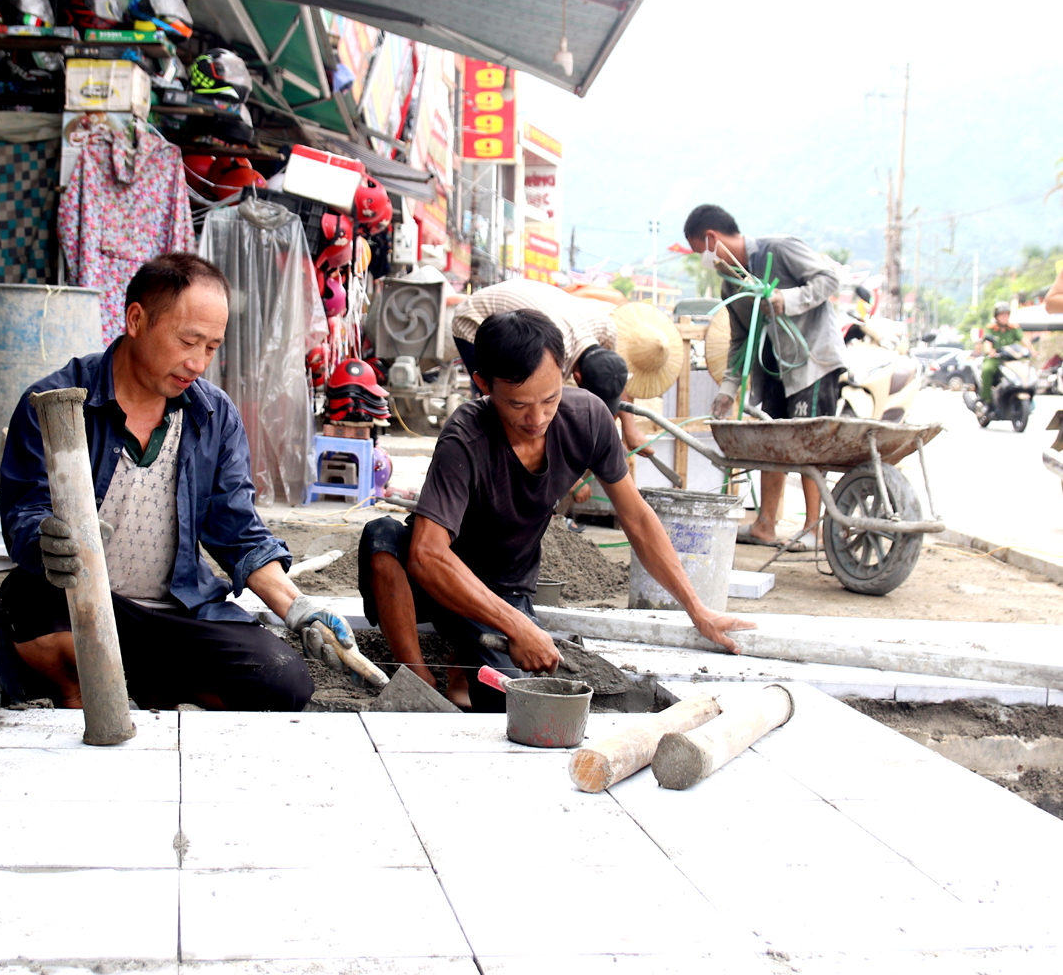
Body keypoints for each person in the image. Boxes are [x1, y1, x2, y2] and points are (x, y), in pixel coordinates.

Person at [0, 253, 351, 712]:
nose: (198, 362)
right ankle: (83, 691)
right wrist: (48, 541)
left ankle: (135, 683)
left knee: (284, 681)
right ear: (136, 319)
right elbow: (24, 513)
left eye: (211, 347)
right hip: (77, 607)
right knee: (25, 599)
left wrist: (298, 608)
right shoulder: (56, 402)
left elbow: (237, 530)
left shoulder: (213, 415)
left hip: (173, 616)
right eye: (189, 341)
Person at [359, 308, 755, 712]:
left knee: (510, 704)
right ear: (483, 384)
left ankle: (464, 661)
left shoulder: (588, 419)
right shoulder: (465, 436)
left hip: (505, 587)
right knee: (383, 537)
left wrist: (697, 609)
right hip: (440, 583)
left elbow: (637, 519)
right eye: (517, 404)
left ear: (565, 374)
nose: (537, 418)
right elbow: (427, 556)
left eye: (550, 398)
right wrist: (517, 626)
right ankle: (419, 679)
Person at [684, 204, 846, 551]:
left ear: (712, 239)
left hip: (811, 363)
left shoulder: (779, 249)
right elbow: (740, 338)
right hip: (772, 369)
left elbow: (829, 278)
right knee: (773, 444)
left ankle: (814, 530)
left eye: (702, 252)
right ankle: (765, 525)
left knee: (808, 446)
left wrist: (788, 299)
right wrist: (728, 389)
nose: (705, 261)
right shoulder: (730, 284)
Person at [446, 278, 652, 458]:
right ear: (578, 377)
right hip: (473, 317)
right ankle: (494, 457)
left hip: (525, 306)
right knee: (502, 403)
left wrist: (629, 429)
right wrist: (567, 475)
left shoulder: (607, 328)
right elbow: (549, 415)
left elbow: (615, 376)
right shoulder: (551, 353)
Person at [979, 301, 1033, 400]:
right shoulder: (991, 329)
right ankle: (986, 398)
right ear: (996, 316)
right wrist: (990, 350)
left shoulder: (1013, 329)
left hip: (1011, 359)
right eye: (1002, 314)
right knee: (987, 369)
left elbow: (1024, 339)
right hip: (996, 358)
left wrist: (1032, 350)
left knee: (1027, 370)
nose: (1004, 317)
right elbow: (987, 342)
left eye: (1006, 314)